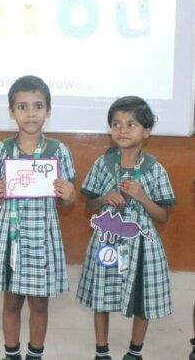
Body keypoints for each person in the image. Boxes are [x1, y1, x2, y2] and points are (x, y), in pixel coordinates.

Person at [76, 96, 176, 360]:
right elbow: (88, 206)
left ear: (147, 130)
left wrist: (143, 197)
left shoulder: (155, 169)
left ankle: (135, 351)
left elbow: (163, 216)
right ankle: (102, 351)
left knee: (142, 297)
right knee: (102, 294)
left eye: (131, 124)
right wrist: (103, 198)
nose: (122, 130)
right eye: (116, 124)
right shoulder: (103, 163)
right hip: (107, 241)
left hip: (143, 245)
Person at [0, 75, 76, 360]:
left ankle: (35, 354)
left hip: (43, 238)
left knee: (39, 304)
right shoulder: (0, 150)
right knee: (11, 302)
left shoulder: (59, 150)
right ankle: (11, 354)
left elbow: (69, 201)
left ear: (48, 111)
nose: (31, 113)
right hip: (10, 237)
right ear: (11, 112)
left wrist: (69, 194)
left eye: (38, 106)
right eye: (22, 107)